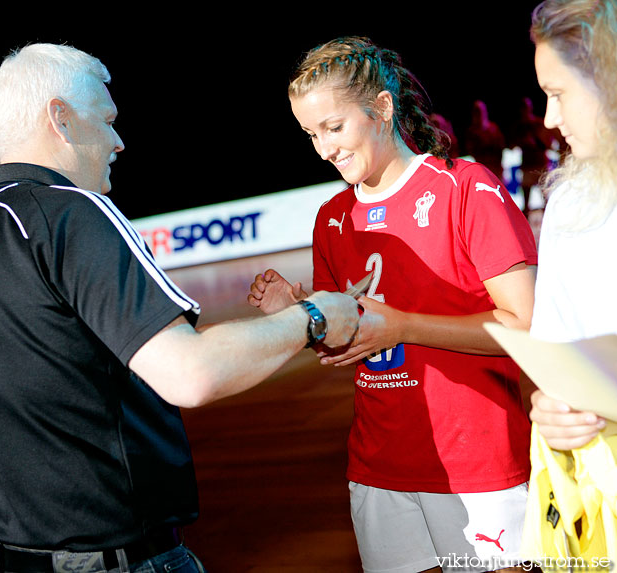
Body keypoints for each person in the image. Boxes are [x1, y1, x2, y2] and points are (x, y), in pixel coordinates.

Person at [0, 43, 360, 573]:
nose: (118, 141)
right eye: (107, 120)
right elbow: (191, 373)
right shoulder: (71, 212)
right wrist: (312, 317)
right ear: (59, 118)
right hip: (113, 558)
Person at [248, 37, 539, 573]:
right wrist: (300, 314)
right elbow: (347, 343)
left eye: (334, 128)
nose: (324, 148)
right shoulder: (332, 219)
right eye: (311, 134)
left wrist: (402, 325)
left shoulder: (465, 190)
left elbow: (525, 326)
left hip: (478, 468)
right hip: (378, 468)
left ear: (381, 108)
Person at [521, 0, 617, 560]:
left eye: (559, 94)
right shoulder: (569, 201)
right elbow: (557, 351)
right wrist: (549, 407)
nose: (548, 117)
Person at [464, 100, 506, 183]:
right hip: (482, 170)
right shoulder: (472, 132)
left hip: (495, 169)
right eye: (476, 112)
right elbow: (471, 150)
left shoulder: (493, 128)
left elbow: (500, 147)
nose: (479, 114)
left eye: (480, 111)